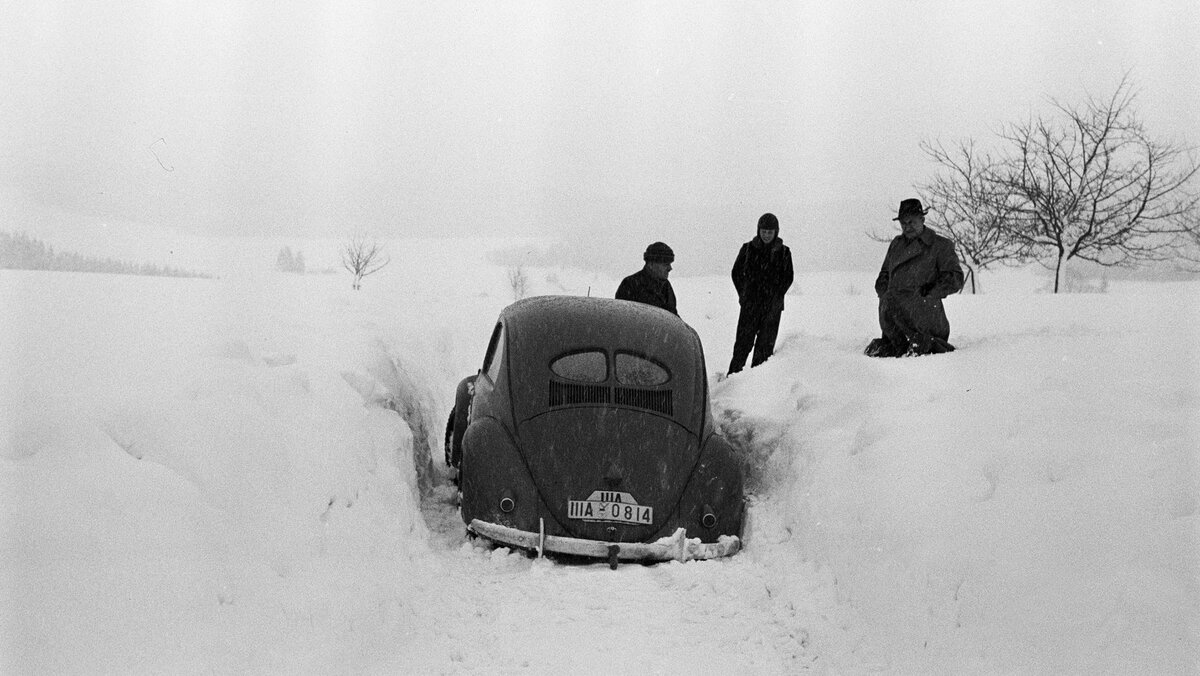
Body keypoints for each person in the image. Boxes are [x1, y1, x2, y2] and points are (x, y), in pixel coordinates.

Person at [865, 198, 965, 357]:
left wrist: (930, 291)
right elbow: (885, 274)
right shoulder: (896, 245)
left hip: (924, 318)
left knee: (919, 351)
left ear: (922, 220)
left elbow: (956, 278)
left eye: (911, 222)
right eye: (903, 223)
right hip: (894, 317)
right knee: (884, 352)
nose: (907, 226)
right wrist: (884, 293)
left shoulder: (940, 245)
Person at [728, 213, 794, 374]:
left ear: (776, 232)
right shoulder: (748, 249)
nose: (766, 235)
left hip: (772, 309)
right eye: (763, 231)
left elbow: (788, 277)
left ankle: (757, 385)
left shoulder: (784, 252)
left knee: (764, 350)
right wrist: (744, 295)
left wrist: (775, 296)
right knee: (742, 347)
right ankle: (731, 383)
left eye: (769, 232)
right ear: (759, 230)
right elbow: (736, 273)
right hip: (750, 306)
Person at [616, 242, 678, 315]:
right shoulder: (630, 285)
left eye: (670, 264)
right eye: (665, 264)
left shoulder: (666, 286)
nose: (670, 268)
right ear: (651, 265)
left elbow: (673, 317)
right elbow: (622, 317)